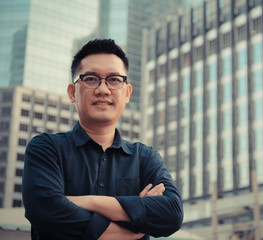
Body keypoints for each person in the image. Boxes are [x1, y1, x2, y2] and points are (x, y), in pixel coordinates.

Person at [22, 39, 183, 240]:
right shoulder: (46, 148)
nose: (103, 89)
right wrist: (136, 224)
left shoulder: (145, 157)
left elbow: (172, 213)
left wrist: (89, 202)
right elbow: (45, 211)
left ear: (127, 93)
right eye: (90, 78)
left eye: (114, 79)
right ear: (73, 92)